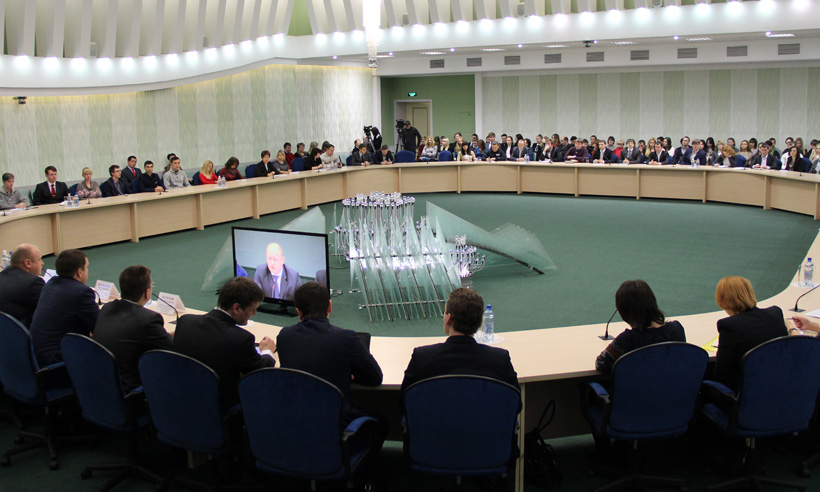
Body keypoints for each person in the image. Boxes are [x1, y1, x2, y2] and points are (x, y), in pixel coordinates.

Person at [277, 282, 383, 424]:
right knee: (381, 422)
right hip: (334, 423)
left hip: (295, 420)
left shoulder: (284, 336)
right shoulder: (346, 338)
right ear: (330, 306)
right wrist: (349, 376)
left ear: (298, 312)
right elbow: (375, 377)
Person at [173, 277, 276, 408]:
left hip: (179, 399)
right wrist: (267, 351)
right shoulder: (241, 339)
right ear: (236, 308)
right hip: (217, 407)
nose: (255, 313)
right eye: (252, 310)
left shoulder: (185, 321)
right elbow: (259, 373)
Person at [401, 287, 519, 393]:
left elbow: (404, 402)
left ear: (449, 319)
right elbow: (515, 403)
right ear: (479, 321)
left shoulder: (421, 358)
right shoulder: (500, 360)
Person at [91, 266, 173, 391]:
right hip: (129, 391)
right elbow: (172, 350)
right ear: (147, 293)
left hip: (99, 383)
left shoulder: (107, 308)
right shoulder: (148, 319)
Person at [712, 276, 787, 391]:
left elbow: (722, 373)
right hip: (781, 384)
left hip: (746, 391)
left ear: (721, 300)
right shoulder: (775, 313)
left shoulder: (729, 326)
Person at [595, 280, 686, 373]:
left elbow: (601, 364)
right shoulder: (676, 329)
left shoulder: (626, 340)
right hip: (673, 381)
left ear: (623, 311)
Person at [30, 249, 99, 366]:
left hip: (37, 354)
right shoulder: (81, 293)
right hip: (56, 361)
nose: (87, 271)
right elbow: (98, 326)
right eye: (86, 268)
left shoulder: (50, 284)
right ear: (79, 272)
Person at [0, 243, 45, 327]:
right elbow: (51, 306)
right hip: (18, 331)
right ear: (27, 263)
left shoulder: (2, 275)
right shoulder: (32, 283)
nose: (42, 263)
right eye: (39, 259)